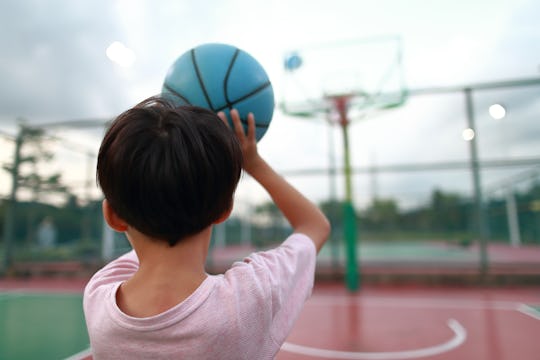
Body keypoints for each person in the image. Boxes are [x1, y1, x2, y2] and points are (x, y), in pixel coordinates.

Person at [83, 96, 330, 359]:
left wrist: (163, 137)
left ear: (112, 216)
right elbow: (314, 225)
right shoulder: (251, 296)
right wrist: (252, 162)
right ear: (225, 209)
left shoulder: (98, 294)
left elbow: (154, 222)